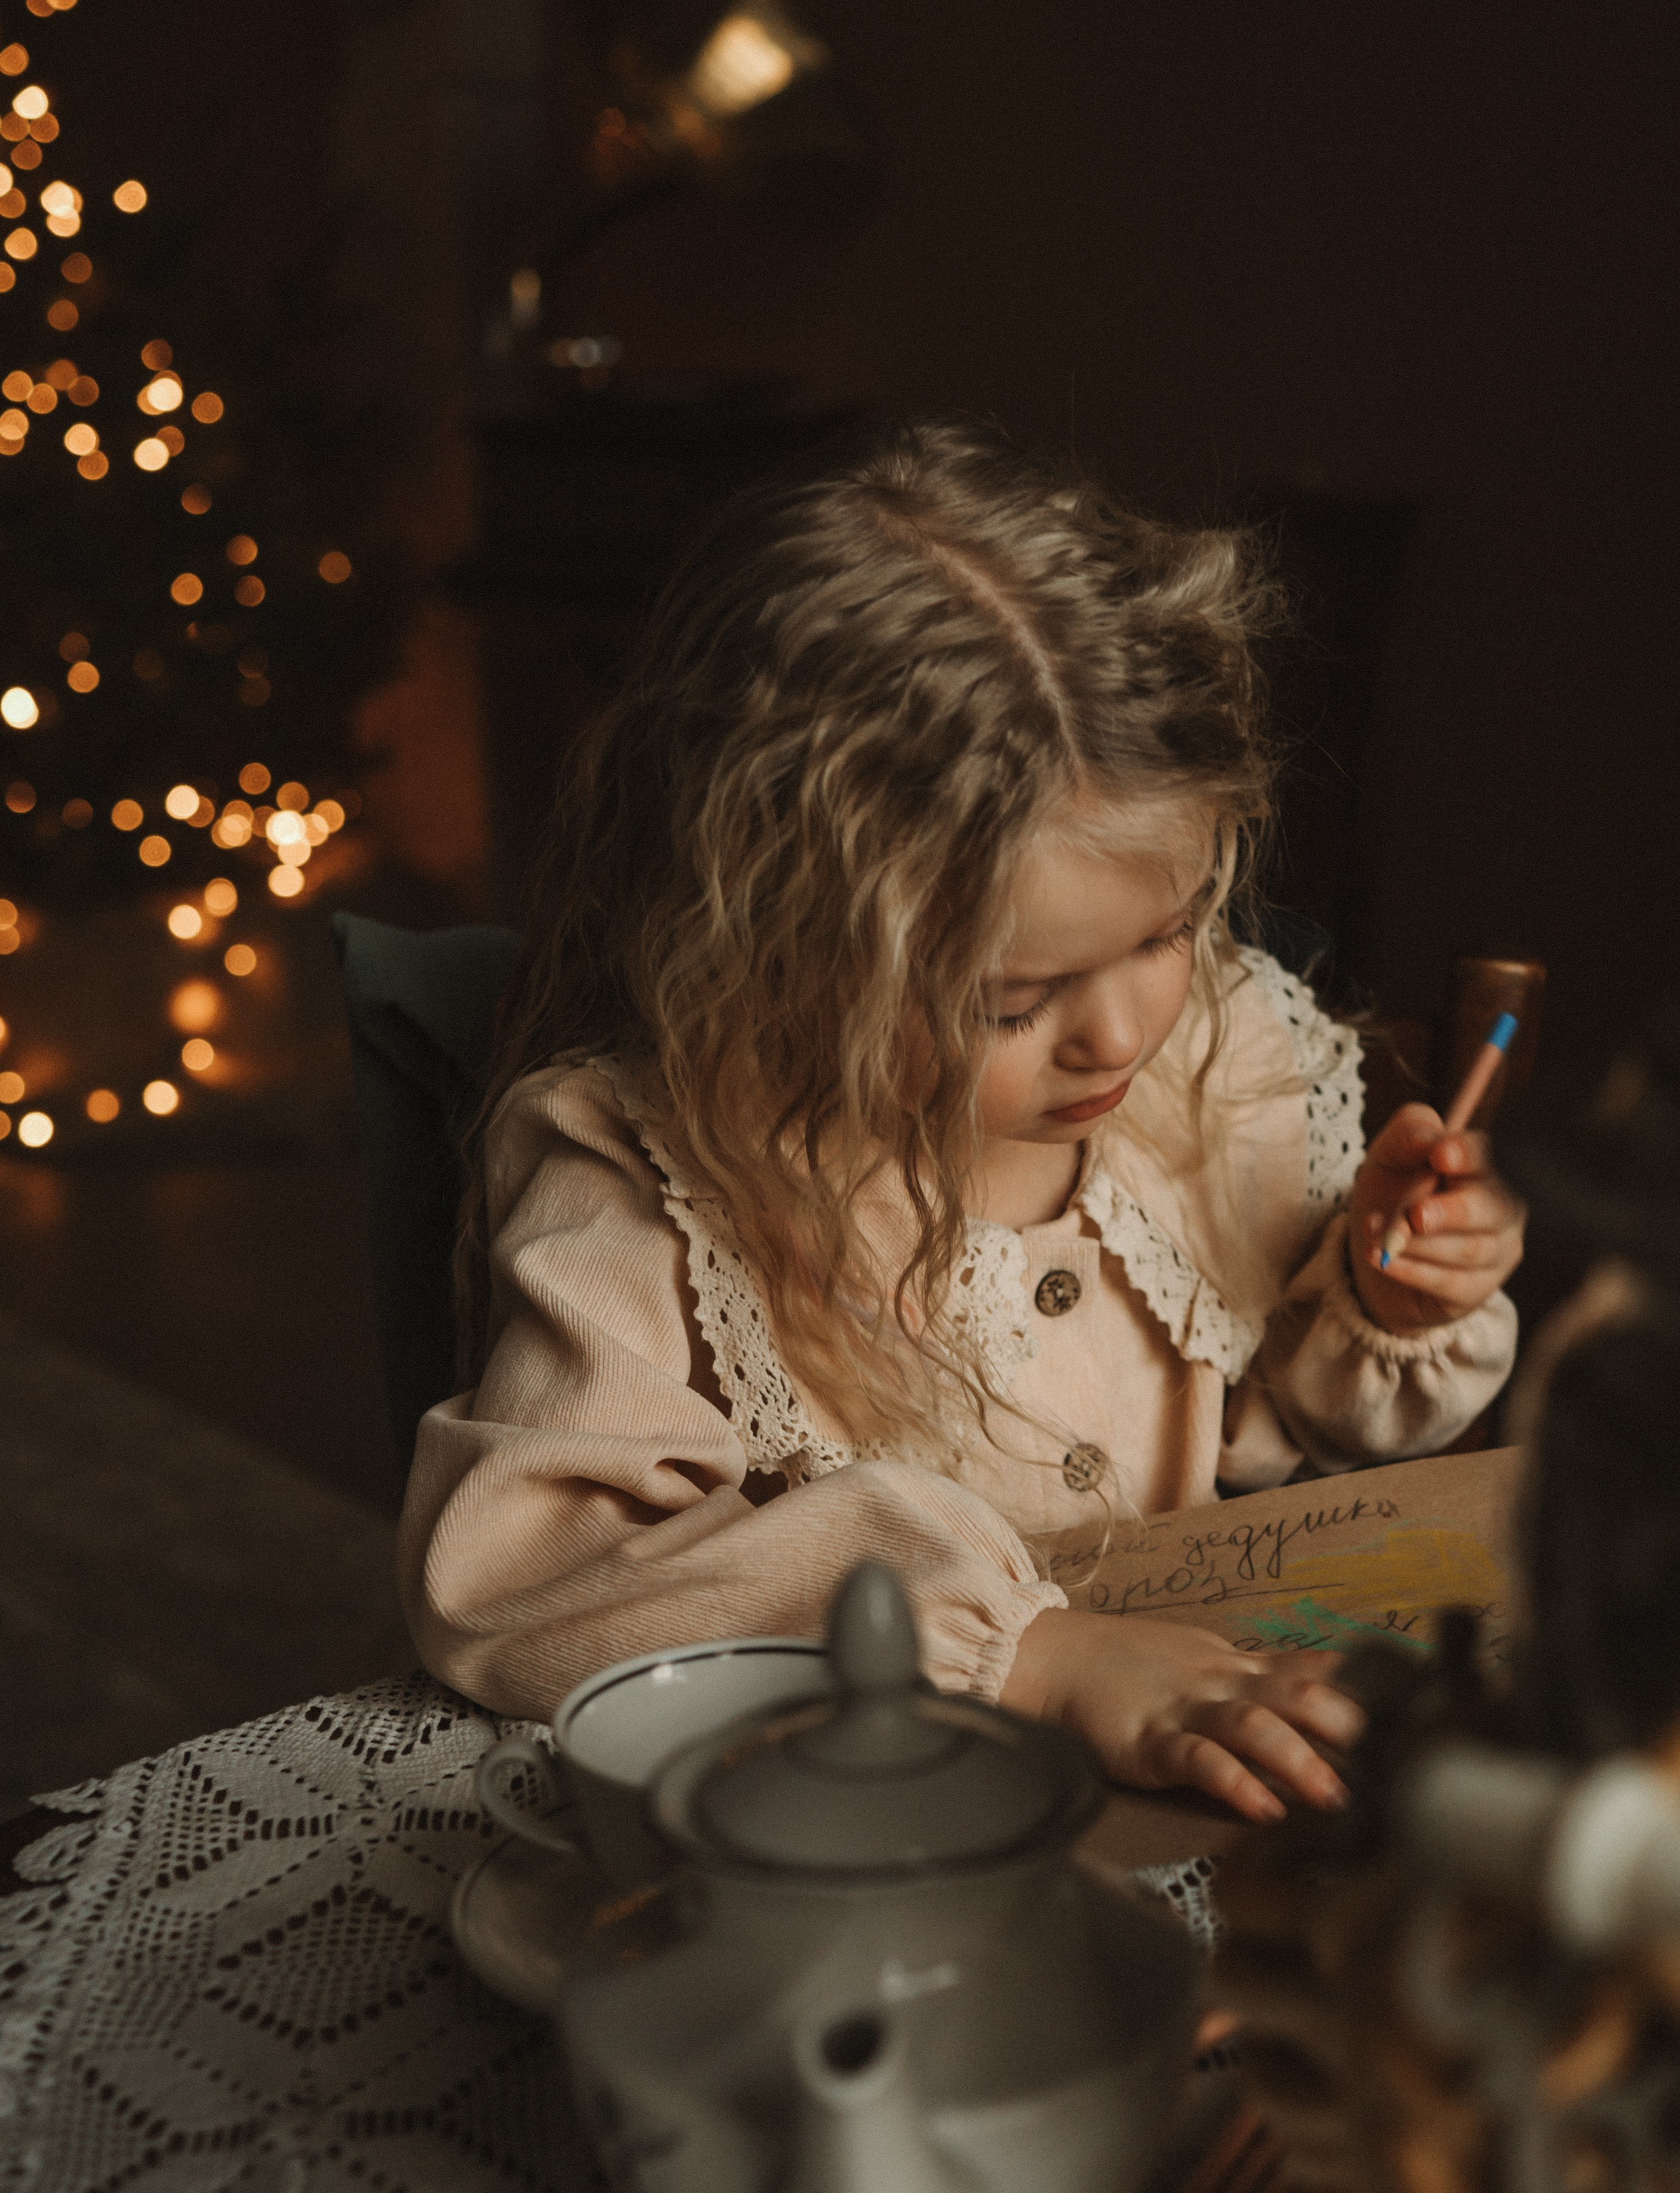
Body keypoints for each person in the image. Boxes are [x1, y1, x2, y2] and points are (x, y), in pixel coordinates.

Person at [400, 419, 1522, 1825]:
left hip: (1193, 1763)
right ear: (779, 950)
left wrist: (1381, 1293)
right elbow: (521, 1580)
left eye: (1168, 929)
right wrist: (1030, 1648)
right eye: (1010, 1001)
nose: (1119, 1033)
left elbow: (1269, 1439)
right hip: (859, 1815)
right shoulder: (656, 1166)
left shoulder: (1216, 1050)